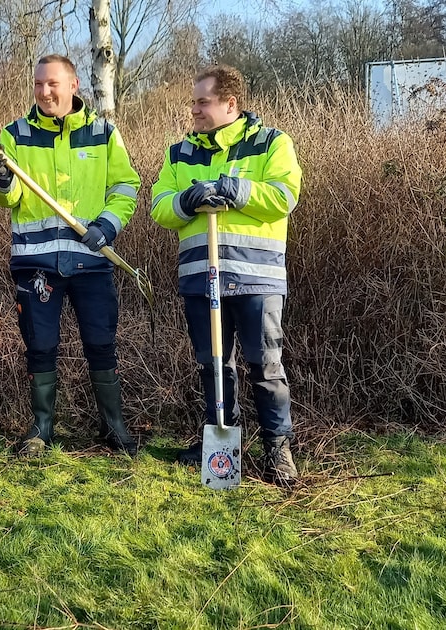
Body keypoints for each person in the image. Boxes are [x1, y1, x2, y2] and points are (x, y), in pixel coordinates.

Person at [150, 65, 303, 487]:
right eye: (194, 101)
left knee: (266, 366)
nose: (194, 109)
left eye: (203, 101)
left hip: (257, 278)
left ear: (230, 103)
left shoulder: (272, 142)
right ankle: (222, 443)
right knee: (214, 365)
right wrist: (188, 198)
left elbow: (286, 196)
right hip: (202, 277)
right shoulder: (179, 152)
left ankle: (278, 448)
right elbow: (159, 207)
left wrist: (238, 191)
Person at [0, 54, 141, 458]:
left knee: (102, 344)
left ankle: (113, 426)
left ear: (73, 85)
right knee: (41, 346)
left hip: (92, 261)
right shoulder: (15, 134)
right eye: (38, 84)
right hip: (36, 264)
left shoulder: (104, 133)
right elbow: (10, 198)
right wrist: (1, 178)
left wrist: (107, 225)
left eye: (52, 83)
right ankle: (42, 427)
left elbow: (125, 186)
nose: (44, 91)